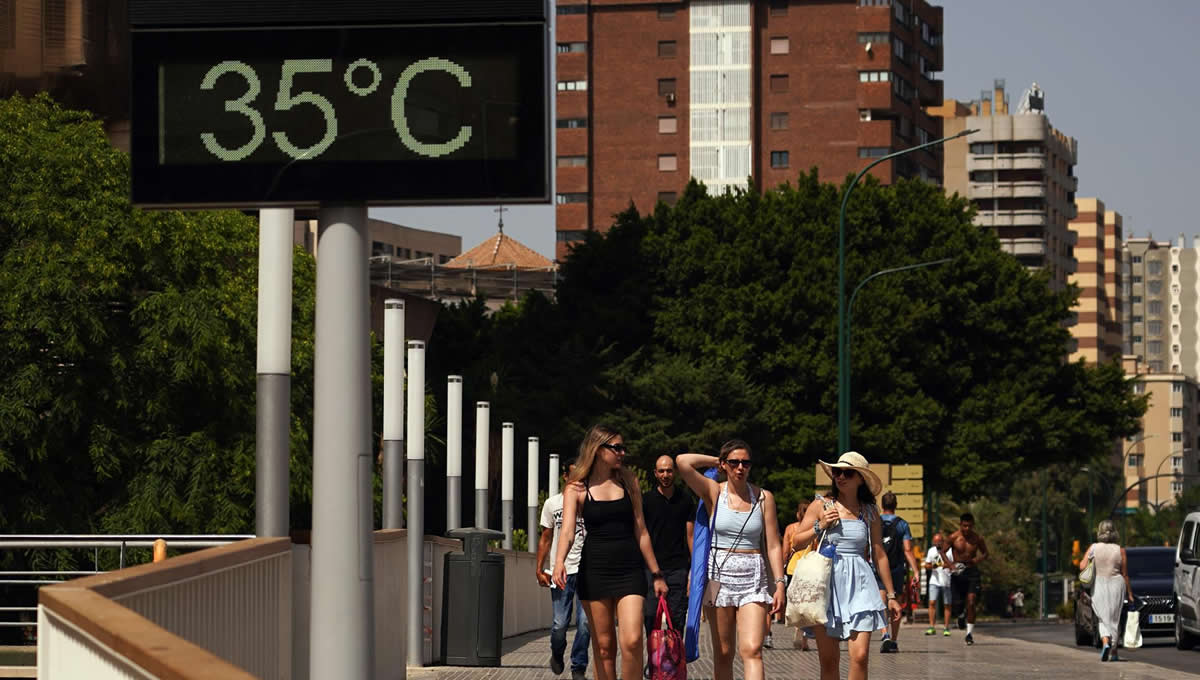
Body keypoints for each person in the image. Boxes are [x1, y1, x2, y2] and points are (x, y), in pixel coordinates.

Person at [552, 425, 668, 680]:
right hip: (594, 572)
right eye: (617, 447)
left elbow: (642, 531)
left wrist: (657, 573)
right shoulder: (577, 488)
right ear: (598, 449)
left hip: (630, 571)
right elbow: (568, 531)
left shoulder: (629, 481)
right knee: (604, 648)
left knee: (633, 641)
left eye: (623, 447)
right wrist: (559, 561)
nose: (622, 453)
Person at [677, 441, 785, 680]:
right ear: (725, 465)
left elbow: (774, 544)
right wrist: (716, 460)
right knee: (724, 653)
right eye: (734, 462)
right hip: (718, 578)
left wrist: (779, 582)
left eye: (745, 463)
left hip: (753, 576)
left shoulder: (764, 498)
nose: (740, 468)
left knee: (752, 649)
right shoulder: (714, 491)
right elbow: (682, 462)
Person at [789, 451, 902, 680]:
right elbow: (796, 542)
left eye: (847, 473)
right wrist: (820, 526)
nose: (840, 477)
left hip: (860, 584)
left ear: (860, 478)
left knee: (860, 657)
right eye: (837, 472)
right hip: (827, 584)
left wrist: (891, 595)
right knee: (829, 661)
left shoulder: (870, 511)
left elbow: (879, 553)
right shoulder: (821, 505)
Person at [536, 459, 590, 679]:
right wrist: (540, 568)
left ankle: (578, 666)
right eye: (573, 476)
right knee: (560, 624)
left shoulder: (591, 501)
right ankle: (557, 653)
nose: (578, 481)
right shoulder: (552, 504)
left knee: (586, 624)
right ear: (565, 478)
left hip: (587, 570)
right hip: (561, 571)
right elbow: (546, 538)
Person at [642, 455, 694, 649]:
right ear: (655, 473)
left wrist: (693, 572)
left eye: (669, 470)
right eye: (661, 471)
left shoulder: (686, 500)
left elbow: (690, 537)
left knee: (677, 619)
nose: (665, 475)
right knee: (650, 618)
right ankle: (654, 660)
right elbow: (641, 534)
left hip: (678, 568)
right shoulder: (646, 500)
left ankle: (673, 661)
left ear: (675, 472)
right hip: (650, 568)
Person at [1079, 520, 1135, 662]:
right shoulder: (1120, 550)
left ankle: (1105, 643)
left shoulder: (1094, 547)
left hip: (1099, 584)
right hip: (1117, 584)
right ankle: (1114, 650)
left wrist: (1093, 562)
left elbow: (1082, 566)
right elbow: (1125, 574)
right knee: (1115, 617)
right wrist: (1129, 593)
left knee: (1102, 617)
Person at [874, 491, 921, 653]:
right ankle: (893, 640)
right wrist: (916, 571)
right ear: (896, 505)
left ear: (882, 505)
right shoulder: (903, 524)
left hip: (878, 567)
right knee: (896, 604)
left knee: (881, 602)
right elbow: (908, 550)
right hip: (897, 569)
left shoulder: (875, 522)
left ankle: (884, 633)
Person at [939, 512, 989, 645]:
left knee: (971, 602)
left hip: (972, 572)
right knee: (958, 604)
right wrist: (950, 565)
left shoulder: (977, 539)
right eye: (965, 526)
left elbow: (985, 553)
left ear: (973, 526)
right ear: (961, 525)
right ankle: (961, 615)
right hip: (957, 573)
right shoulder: (953, 537)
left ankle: (969, 634)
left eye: (970, 526)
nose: (967, 529)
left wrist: (975, 560)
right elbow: (942, 551)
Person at [782, 500, 816, 650]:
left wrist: (783, 565)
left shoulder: (790, 529)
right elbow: (815, 549)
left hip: (792, 569)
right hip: (808, 568)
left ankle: (797, 627)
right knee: (806, 603)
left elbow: (785, 550)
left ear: (797, 514)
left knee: (794, 602)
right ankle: (804, 636)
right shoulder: (814, 529)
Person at [922, 533, 953, 637]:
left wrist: (947, 565)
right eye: (935, 541)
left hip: (946, 581)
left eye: (939, 541)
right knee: (932, 602)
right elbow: (926, 565)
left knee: (947, 604)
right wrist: (936, 565)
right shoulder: (931, 551)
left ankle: (946, 627)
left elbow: (953, 564)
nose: (937, 543)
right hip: (934, 581)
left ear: (943, 541)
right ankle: (932, 626)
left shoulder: (949, 550)